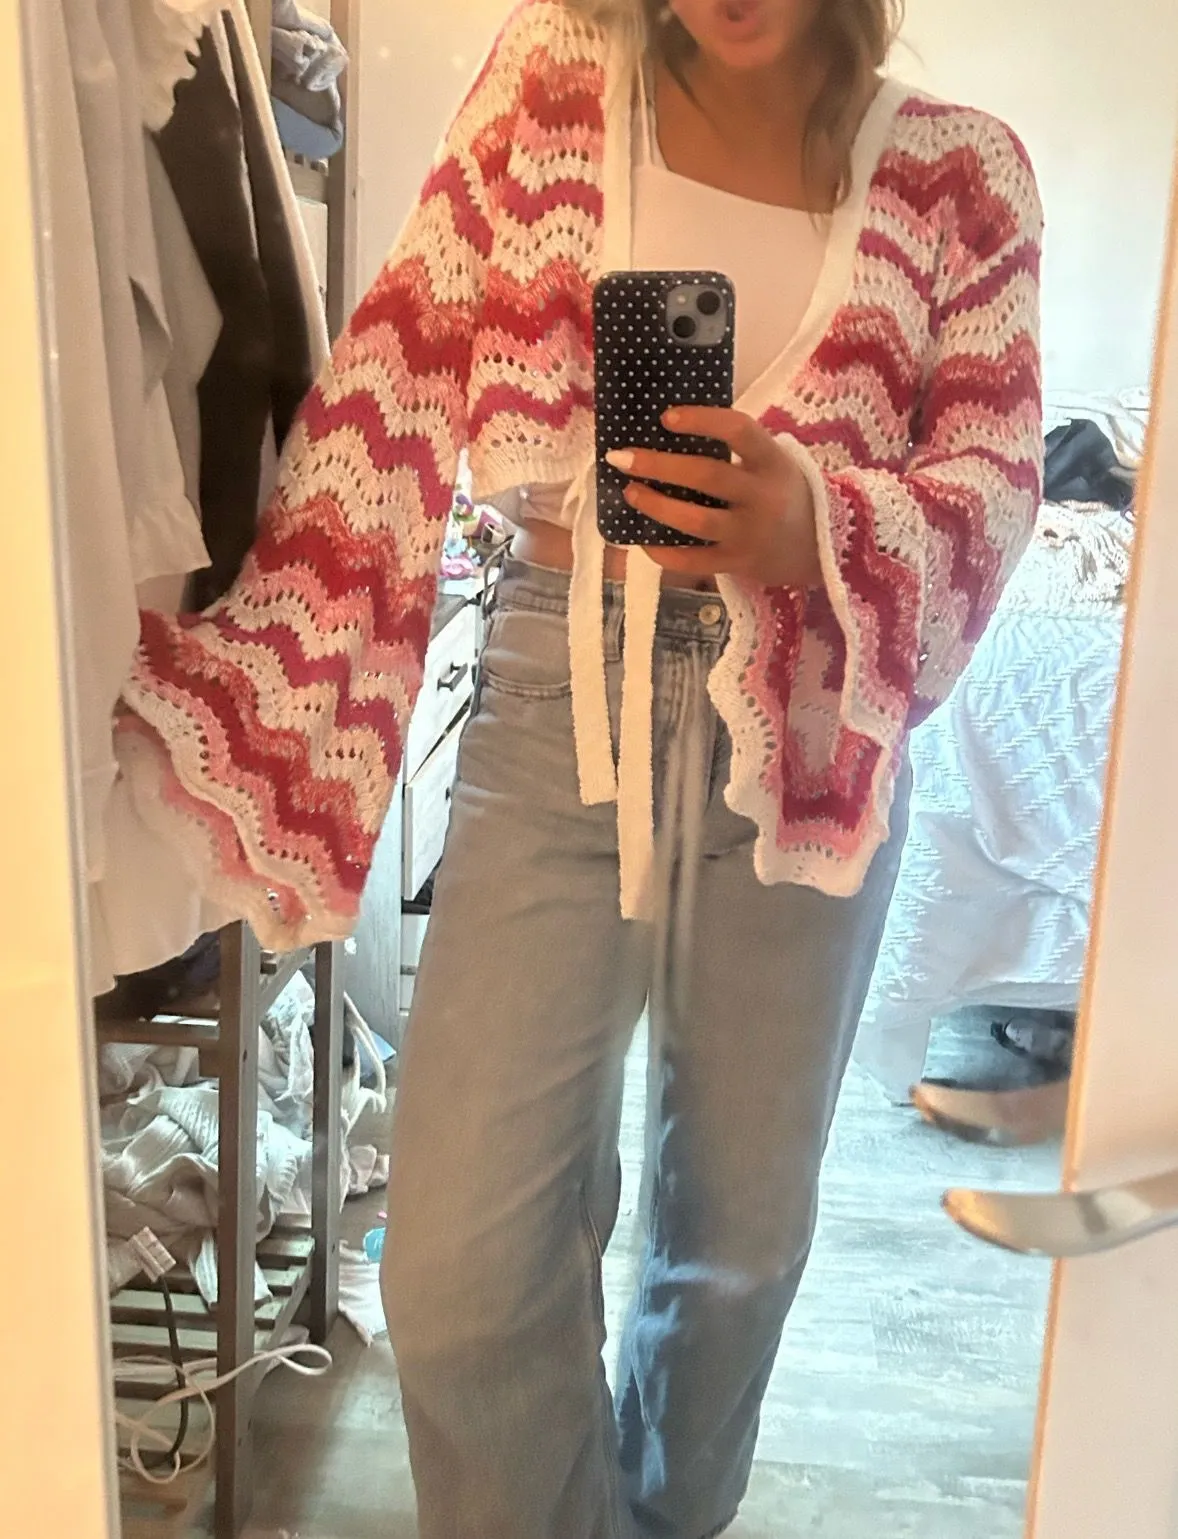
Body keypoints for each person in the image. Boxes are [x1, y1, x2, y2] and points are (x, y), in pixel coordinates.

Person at [120, 0, 1043, 1534]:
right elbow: (400, 364)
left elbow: (996, 486)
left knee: (734, 1246)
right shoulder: (551, 83)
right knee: (458, 1265)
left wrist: (812, 522)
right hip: (564, 694)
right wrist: (238, 644)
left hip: (810, 743)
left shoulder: (963, 175)